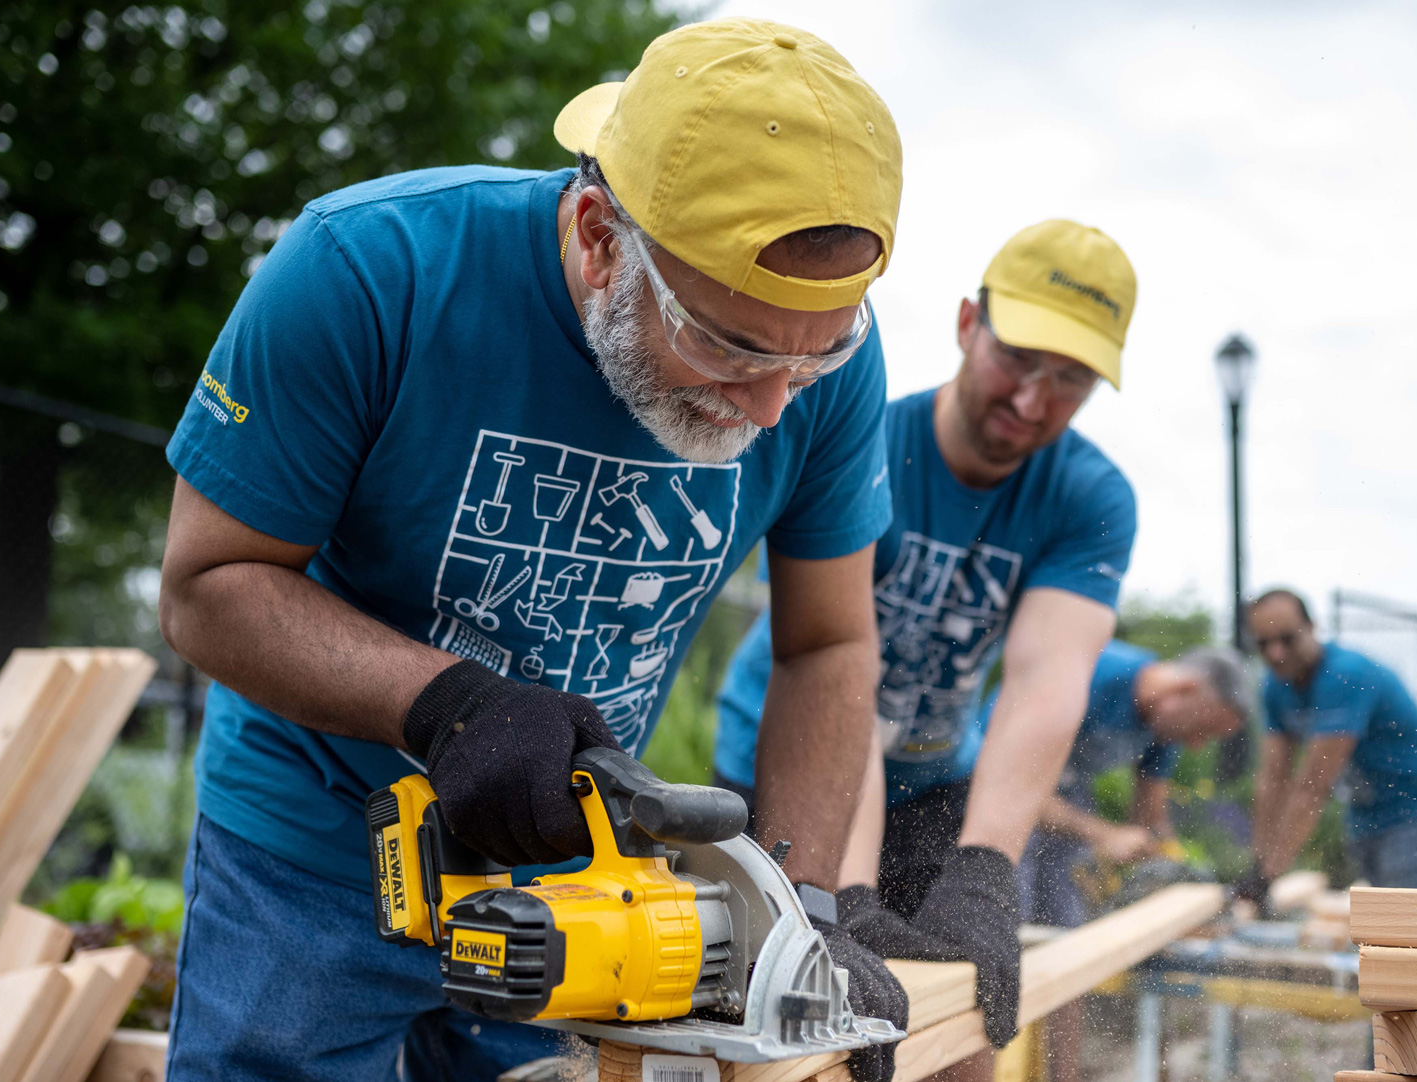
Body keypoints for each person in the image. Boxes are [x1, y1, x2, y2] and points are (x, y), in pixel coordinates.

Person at [155, 19, 910, 1082]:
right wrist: (446, 703)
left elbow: (828, 645)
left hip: (581, 884)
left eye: (821, 352)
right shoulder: (371, 269)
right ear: (601, 234)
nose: (776, 402)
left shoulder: (815, 368)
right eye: (726, 344)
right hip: (318, 851)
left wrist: (806, 914)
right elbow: (206, 584)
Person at [713, 219, 1139, 1078]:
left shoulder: (1091, 496)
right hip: (787, 762)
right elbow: (841, 681)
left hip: (935, 782)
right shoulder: (862, 442)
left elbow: (1045, 685)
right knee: (788, 1042)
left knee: (957, 1023)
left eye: (1069, 381)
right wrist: (850, 893)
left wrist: (984, 869)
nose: (1031, 401)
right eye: (1018, 360)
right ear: (965, 325)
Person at [1005, 641, 1251, 1082]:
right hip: (992, 792)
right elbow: (1009, 783)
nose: (1197, 746)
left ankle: (1061, 1076)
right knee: (1006, 946)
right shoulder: (1090, 673)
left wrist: (1178, 874)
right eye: (1204, 730)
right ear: (1186, 689)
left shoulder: (1165, 726)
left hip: (1062, 801)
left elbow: (1152, 821)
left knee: (1068, 950)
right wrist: (1106, 834)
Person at [1241, 588, 1417, 898]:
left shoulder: (1344, 675)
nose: (1275, 653)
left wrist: (1269, 874)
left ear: (1312, 627)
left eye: (1287, 639)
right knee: (1382, 925)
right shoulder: (1275, 686)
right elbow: (1273, 779)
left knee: (1406, 928)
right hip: (1368, 813)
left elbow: (1311, 788)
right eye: (1263, 643)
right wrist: (1258, 862)